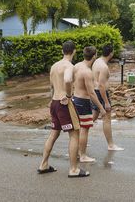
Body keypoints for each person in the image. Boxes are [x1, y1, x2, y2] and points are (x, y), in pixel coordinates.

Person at [38, 40, 89, 178]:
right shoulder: (69, 66)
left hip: (54, 102)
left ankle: (43, 164)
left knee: (54, 133)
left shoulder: (54, 66)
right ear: (74, 51)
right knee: (74, 134)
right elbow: (67, 80)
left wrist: (53, 100)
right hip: (64, 102)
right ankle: (73, 169)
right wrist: (68, 95)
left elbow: (51, 86)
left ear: (62, 51)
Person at [72, 46, 106, 163]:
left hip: (75, 99)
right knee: (84, 129)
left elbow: (71, 81)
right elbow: (91, 93)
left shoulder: (76, 66)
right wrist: (101, 108)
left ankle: (75, 153)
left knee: (77, 129)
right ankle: (83, 156)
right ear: (94, 56)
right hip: (83, 102)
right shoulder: (87, 72)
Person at [91, 44, 124, 151]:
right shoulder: (104, 67)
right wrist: (106, 102)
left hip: (94, 92)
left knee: (94, 116)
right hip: (100, 93)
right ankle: (111, 145)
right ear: (111, 53)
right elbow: (101, 85)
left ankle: (80, 136)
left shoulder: (97, 61)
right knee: (107, 119)